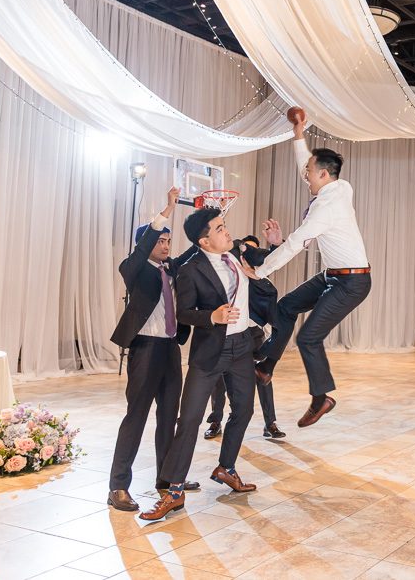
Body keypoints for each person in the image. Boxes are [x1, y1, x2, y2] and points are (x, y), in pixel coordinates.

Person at [140, 207, 279, 521]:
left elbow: (270, 264)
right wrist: (211, 317)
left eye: (225, 225)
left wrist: (274, 244)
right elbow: (185, 312)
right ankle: (174, 491)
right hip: (209, 351)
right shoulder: (190, 270)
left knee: (244, 409)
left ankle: (226, 468)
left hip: (243, 347)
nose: (227, 232)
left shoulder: (240, 256)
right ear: (204, 241)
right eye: (219, 229)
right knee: (189, 419)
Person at [252, 110, 371, 429]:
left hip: (352, 283)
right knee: (286, 307)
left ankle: (322, 399)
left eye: (308, 172)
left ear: (322, 175)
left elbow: (292, 244)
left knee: (308, 338)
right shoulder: (338, 186)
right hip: (335, 275)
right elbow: (308, 162)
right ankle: (266, 365)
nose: (304, 175)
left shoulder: (326, 207)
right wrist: (298, 133)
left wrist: (260, 271)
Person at [107, 187, 200, 512]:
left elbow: (193, 253)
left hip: (171, 349)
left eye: (167, 241)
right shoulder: (133, 268)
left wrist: (208, 224)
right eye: (160, 240)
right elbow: (146, 243)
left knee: (168, 417)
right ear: (145, 243)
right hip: (145, 348)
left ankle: (167, 478)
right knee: (137, 416)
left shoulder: (170, 269)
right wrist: (167, 209)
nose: (165, 246)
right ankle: (118, 485)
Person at [206, 235, 286, 441]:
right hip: (228, 331)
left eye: (253, 252)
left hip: (254, 333)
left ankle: (270, 423)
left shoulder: (260, 279)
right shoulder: (228, 273)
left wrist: (255, 273)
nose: (247, 255)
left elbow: (271, 292)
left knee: (263, 376)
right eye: (244, 250)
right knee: (220, 378)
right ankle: (216, 421)